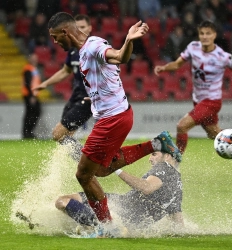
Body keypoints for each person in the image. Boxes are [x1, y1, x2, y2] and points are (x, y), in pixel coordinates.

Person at [47, 12, 182, 235]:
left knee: (83, 175)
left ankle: (108, 227)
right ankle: (157, 144)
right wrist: (97, 96)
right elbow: (107, 74)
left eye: (55, 36)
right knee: (99, 170)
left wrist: (128, 40)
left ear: (64, 32)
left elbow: (119, 57)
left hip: (112, 120)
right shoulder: (85, 50)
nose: (54, 42)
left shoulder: (92, 47)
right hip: (116, 115)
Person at [154, 20, 232, 170]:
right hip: (198, 101)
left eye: (208, 33)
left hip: (212, 101)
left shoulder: (222, 56)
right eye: (202, 33)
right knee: (215, 134)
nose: (205, 36)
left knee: (181, 126)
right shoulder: (193, 47)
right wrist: (164, 68)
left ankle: (174, 165)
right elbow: (177, 64)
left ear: (214, 35)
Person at [55, 149, 183, 237]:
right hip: (127, 217)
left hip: (122, 207)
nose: (150, 159)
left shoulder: (165, 167)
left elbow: (146, 187)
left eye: (154, 154)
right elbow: (178, 223)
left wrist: (115, 169)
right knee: (67, 203)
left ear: (168, 156)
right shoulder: (177, 185)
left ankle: (105, 227)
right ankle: (99, 226)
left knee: (62, 202)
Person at [32, 14, 93, 162]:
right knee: (66, 136)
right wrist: (45, 84)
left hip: (89, 98)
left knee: (58, 133)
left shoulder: (94, 48)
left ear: (90, 28)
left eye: (83, 27)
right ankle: (83, 164)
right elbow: (65, 71)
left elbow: (111, 69)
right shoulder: (73, 51)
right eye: (77, 28)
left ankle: (88, 163)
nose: (80, 30)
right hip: (76, 95)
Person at [21, 53, 42, 139]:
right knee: (31, 113)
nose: (35, 60)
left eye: (36, 59)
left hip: (33, 95)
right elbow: (28, 83)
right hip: (29, 95)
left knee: (33, 113)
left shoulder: (33, 69)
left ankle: (28, 132)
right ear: (29, 60)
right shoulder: (28, 69)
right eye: (33, 59)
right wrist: (31, 96)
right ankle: (27, 132)